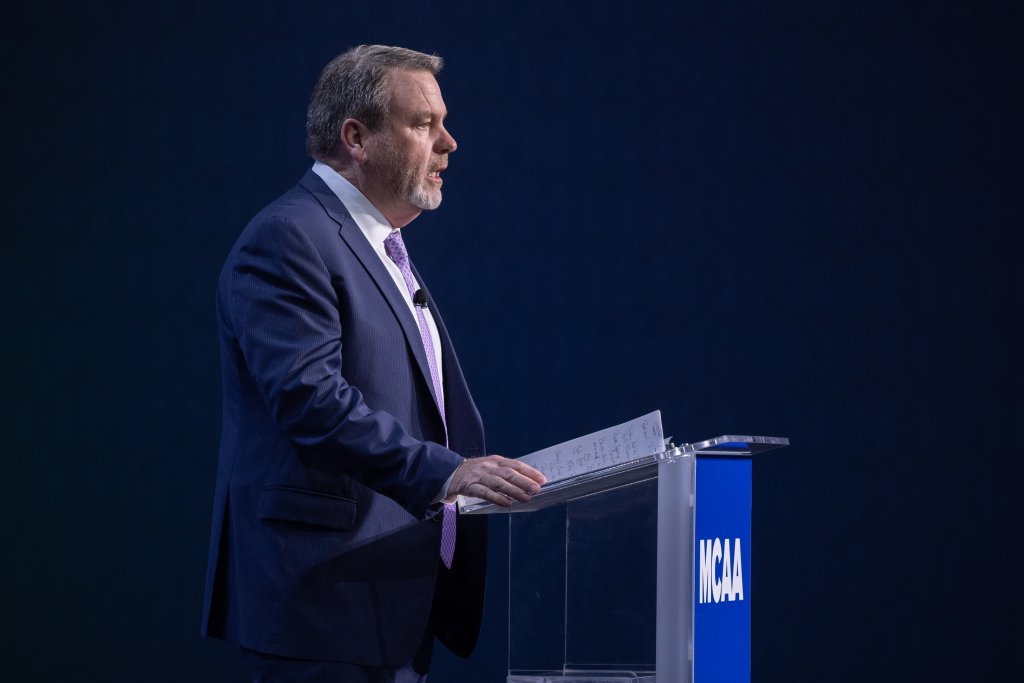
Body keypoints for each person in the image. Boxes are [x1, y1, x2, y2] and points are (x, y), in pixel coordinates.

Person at [201, 44, 546, 682]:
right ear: (356, 138)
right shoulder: (290, 237)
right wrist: (448, 473)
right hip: (324, 603)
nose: (449, 143)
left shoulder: (381, 245)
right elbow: (312, 402)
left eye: (443, 123)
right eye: (423, 123)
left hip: (391, 599)